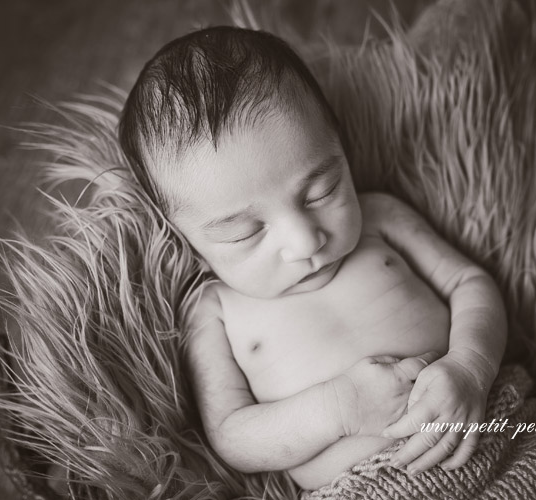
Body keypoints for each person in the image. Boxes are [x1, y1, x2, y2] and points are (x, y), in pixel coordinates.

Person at [118, 26, 506, 490]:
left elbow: (469, 283)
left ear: (339, 146)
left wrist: (469, 368)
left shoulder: (381, 217)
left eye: (322, 190)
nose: (305, 242)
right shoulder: (214, 312)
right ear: (187, 242)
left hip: (502, 428)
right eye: (246, 232)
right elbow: (231, 434)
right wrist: (340, 409)